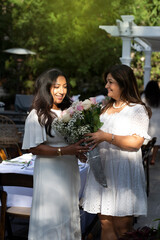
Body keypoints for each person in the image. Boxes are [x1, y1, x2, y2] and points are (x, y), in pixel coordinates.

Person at [83, 64, 151, 240]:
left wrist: (106, 136)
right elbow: (97, 135)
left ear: (123, 84)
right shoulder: (105, 108)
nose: (106, 86)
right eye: (107, 82)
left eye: (110, 82)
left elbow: (136, 142)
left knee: (123, 226)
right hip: (103, 170)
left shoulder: (137, 109)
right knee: (105, 222)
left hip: (123, 173)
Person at [22, 68, 88, 240]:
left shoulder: (70, 112)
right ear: (46, 87)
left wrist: (77, 152)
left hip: (69, 169)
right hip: (49, 172)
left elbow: (70, 141)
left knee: (67, 212)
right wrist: (65, 150)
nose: (62, 91)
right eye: (56, 86)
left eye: (64, 86)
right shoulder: (37, 115)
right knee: (50, 214)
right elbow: (33, 148)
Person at [141, 80, 160, 165]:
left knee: (146, 139)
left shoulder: (144, 96)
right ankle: (153, 159)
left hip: (148, 119)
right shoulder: (159, 96)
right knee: (157, 140)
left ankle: (145, 158)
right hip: (158, 121)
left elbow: (142, 107)